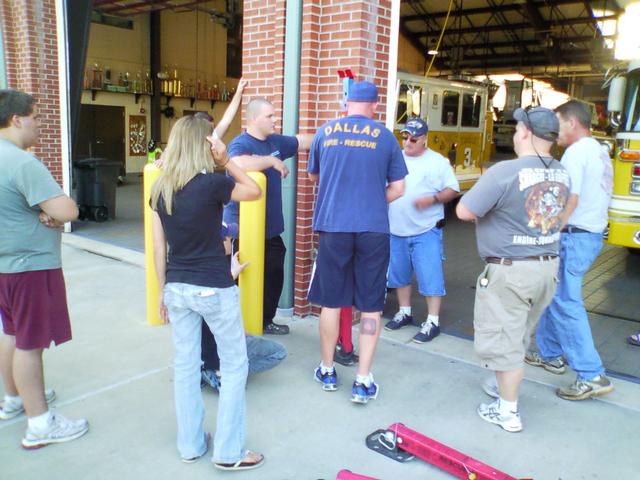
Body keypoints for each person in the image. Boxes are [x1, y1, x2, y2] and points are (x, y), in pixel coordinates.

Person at [150, 115, 264, 470]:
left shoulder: (160, 188)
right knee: (234, 365)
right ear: (205, 145)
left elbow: (158, 248)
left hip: (177, 287)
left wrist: (161, 290)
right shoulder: (213, 183)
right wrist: (226, 160)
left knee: (185, 365)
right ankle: (229, 452)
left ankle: (191, 444)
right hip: (212, 287)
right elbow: (254, 191)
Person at [457, 107, 570, 432]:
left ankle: (507, 411)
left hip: (511, 271)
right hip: (547, 268)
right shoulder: (562, 172)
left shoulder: (504, 171)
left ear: (524, 133)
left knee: (504, 343)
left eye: (518, 126)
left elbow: (464, 210)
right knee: (518, 335)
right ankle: (500, 385)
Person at [307, 80, 407, 404]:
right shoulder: (386, 137)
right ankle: (363, 379)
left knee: (331, 302)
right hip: (373, 229)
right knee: (370, 305)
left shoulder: (325, 132)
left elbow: (314, 178)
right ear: (375, 106)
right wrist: (373, 201)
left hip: (334, 226)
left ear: (346, 102)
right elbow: (399, 188)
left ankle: (327, 369)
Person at [0, 90, 89, 448]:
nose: (39, 123)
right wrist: (53, 211)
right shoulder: (22, 163)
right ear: (17, 119)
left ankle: (14, 399)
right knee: (30, 344)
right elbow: (68, 210)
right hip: (30, 267)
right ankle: (40, 425)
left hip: (7, 267)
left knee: (12, 334)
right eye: (35, 117)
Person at [528, 100, 614, 401]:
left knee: (566, 301)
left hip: (575, 236)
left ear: (572, 123)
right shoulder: (599, 150)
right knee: (556, 295)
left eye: (558, 123)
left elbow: (570, 200)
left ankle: (591, 375)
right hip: (590, 235)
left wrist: (549, 232)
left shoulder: (576, 153)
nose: (555, 131)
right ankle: (550, 353)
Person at [224, 98, 313, 335]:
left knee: (273, 274)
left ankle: (265, 321)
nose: (275, 120)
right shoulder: (240, 143)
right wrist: (271, 160)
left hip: (270, 229)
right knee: (239, 276)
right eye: (269, 116)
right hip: (242, 229)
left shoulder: (276, 141)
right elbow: (236, 163)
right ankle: (234, 326)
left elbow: (302, 141)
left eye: (274, 115)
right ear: (253, 119)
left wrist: (334, 135)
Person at [385, 117, 460, 343]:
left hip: (426, 230)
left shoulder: (437, 161)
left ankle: (433, 321)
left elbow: (453, 189)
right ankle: (404, 312)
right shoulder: (393, 157)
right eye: (404, 136)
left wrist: (433, 199)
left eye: (413, 138)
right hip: (396, 229)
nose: (407, 142)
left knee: (430, 276)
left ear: (425, 139)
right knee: (399, 275)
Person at [201, 233, 288, 391]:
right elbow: (222, 311)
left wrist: (233, 272)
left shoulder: (206, 268)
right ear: (220, 243)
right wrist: (241, 332)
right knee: (279, 352)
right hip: (226, 342)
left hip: (207, 346)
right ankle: (228, 372)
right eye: (228, 237)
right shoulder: (220, 279)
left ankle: (210, 369)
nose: (232, 240)